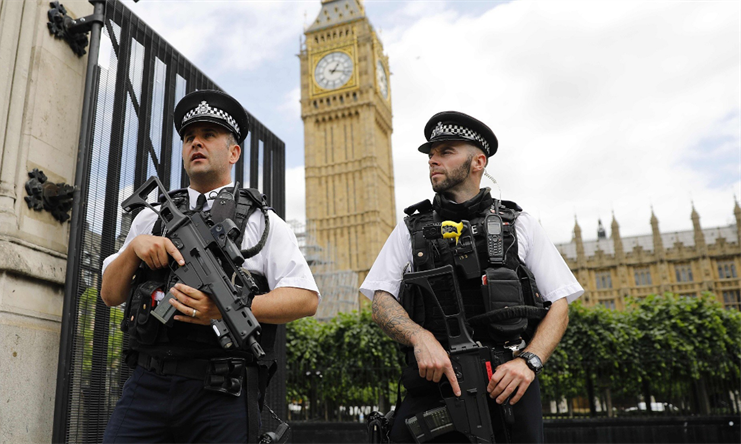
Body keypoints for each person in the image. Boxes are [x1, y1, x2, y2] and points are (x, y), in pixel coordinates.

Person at [100, 90, 319, 444]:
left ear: (234, 153)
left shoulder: (262, 222)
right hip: (147, 384)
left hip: (221, 393)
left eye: (208, 135)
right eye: (189, 137)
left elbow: (306, 298)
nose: (196, 143)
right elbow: (110, 295)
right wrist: (134, 251)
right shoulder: (150, 216)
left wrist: (226, 309)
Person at [360, 111, 583, 444]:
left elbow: (559, 304)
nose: (433, 160)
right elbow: (380, 299)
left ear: (478, 162)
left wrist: (529, 361)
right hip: (433, 384)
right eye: (431, 154)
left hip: (509, 386)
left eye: (446, 151)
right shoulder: (410, 229)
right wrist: (420, 337)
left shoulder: (519, 224)